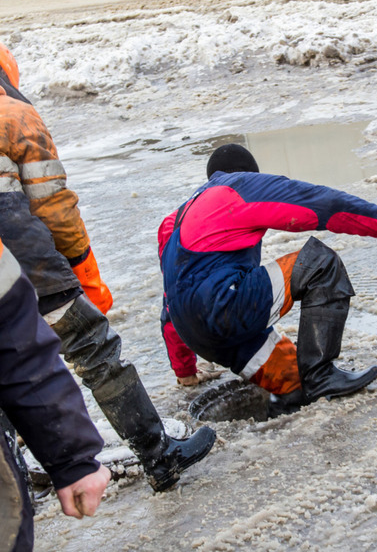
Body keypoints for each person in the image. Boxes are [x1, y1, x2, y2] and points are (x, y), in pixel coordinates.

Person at [0, 43, 216, 492]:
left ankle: (15, 481)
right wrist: (81, 270)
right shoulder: (15, 116)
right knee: (97, 353)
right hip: (29, 267)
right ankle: (160, 457)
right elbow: (54, 208)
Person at [159, 143, 377, 417]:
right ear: (250, 173)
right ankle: (322, 375)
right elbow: (320, 203)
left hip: (196, 334)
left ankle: (299, 391)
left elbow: (174, 302)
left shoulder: (180, 217)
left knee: (295, 382)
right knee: (320, 263)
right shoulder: (239, 187)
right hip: (224, 307)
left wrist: (184, 370)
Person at [0, 238, 111, 552]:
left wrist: (71, 460)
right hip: (36, 259)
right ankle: (158, 454)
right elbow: (15, 339)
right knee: (94, 341)